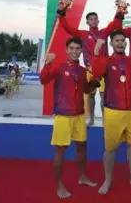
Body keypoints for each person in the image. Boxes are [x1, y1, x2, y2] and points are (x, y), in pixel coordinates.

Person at [40, 37, 99, 199]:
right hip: (63, 116)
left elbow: (86, 90)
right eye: (71, 48)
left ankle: (82, 176)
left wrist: (95, 82)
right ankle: (59, 185)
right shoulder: (58, 68)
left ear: (81, 50)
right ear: (67, 50)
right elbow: (43, 79)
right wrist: (47, 64)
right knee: (60, 152)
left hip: (79, 115)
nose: (74, 51)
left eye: (77, 49)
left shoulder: (82, 70)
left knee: (82, 148)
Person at [90, 31, 131, 194]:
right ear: (112, 44)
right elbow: (97, 73)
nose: (120, 43)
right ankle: (108, 179)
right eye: (117, 41)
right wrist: (96, 52)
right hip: (113, 110)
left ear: (126, 43)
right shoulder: (106, 61)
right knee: (110, 149)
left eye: (122, 41)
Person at [58, 6, 122, 126]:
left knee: (104, 96)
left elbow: (114, 25)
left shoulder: (104, 32)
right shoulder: (83, 34)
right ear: (87, 22)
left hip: (104, 70)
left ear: (98, 21)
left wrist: (119, 12)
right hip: (89, 69)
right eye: (91, 19)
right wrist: (61, 15)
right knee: (90, 95)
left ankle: (104, 120)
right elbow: (67, 28)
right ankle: (91, 119)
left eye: (95, 19)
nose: (93, 20)